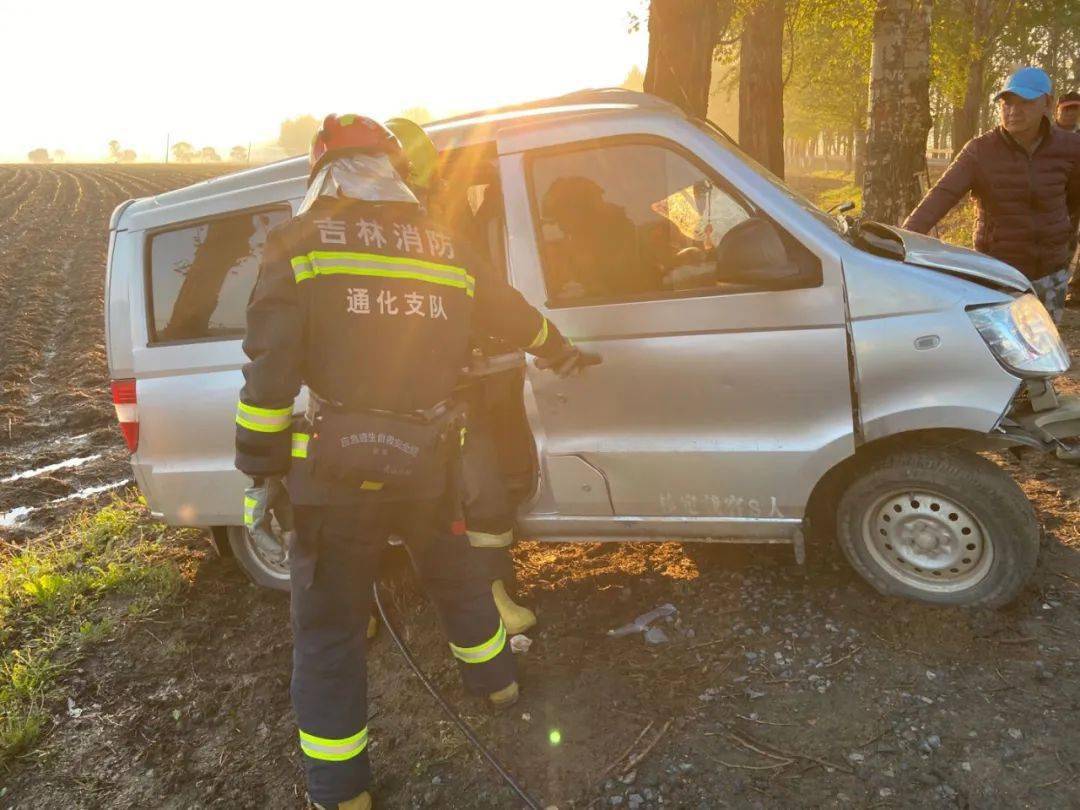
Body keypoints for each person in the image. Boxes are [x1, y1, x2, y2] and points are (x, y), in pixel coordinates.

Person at [235, 114, 596, 810]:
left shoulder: (297, 245)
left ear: (319, 173)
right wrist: (560, 349)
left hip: (336, 475)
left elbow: (269, 375)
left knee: (332, 627)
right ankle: (498, 683)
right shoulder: (443, 244)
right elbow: (511, 313)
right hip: (429, 457)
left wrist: (261, 472)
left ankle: (342, 791)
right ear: (394, 170)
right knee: (455, 575)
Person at [386, 116, 539, 635]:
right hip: (418, 392)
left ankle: (493, 592)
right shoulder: (388, 230)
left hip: (447, 378)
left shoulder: (437, 215)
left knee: (482, 489)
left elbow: (479, 284)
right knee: (475, 492)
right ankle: (487, 604)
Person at [903, 67, 1080, 323]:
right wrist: (900, 243)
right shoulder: (980, 152)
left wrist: (1061, 239)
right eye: (1007, 103)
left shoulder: (1070, 148)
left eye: (1025, 103)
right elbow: (939, 198)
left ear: (1047, 104)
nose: (1013, 111)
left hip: (1050, 275)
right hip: (998, 275)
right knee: (1003, 352)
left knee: (1045, 351)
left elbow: (1073, 200)